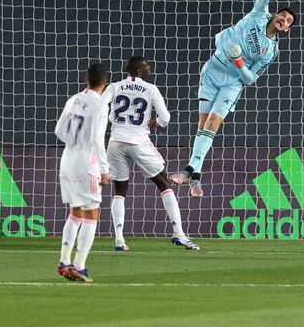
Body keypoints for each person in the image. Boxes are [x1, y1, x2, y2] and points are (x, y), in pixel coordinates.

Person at [171, 0, 297, 197]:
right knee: (201, 126)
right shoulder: (259, 14)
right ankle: (195, 175)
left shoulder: (270, 52)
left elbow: (250, 79)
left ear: (286, 30)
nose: (283, 19)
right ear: (275, 15)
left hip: (232, 83)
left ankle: (187, 171)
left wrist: (239, 61)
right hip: (212, 71)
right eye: (282, 15)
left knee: (212, 125)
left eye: (288, 22)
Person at [103, 56, 199, 251]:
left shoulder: (114, 86)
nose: (149, 68)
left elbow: (98, 108)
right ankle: (178, 233)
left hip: (115, 142)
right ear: (138, 71)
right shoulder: (150, 89)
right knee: (164, 183)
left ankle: (119, 240)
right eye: (145, 66)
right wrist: (159, 123)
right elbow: (165, 117)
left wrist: (108, 129)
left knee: (119, 190)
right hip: (138, 141)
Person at [55, 62, 110, 283]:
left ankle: (64, 261)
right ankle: (79, 265)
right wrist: (104, 169)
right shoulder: (100, 105)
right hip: (87, 164)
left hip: (67, 161)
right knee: (92, 214)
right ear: (104, 83)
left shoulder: (73, 100)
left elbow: (59, 130)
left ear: (87, 80)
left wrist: (75, 144)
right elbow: (97, 139)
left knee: (75, 212)